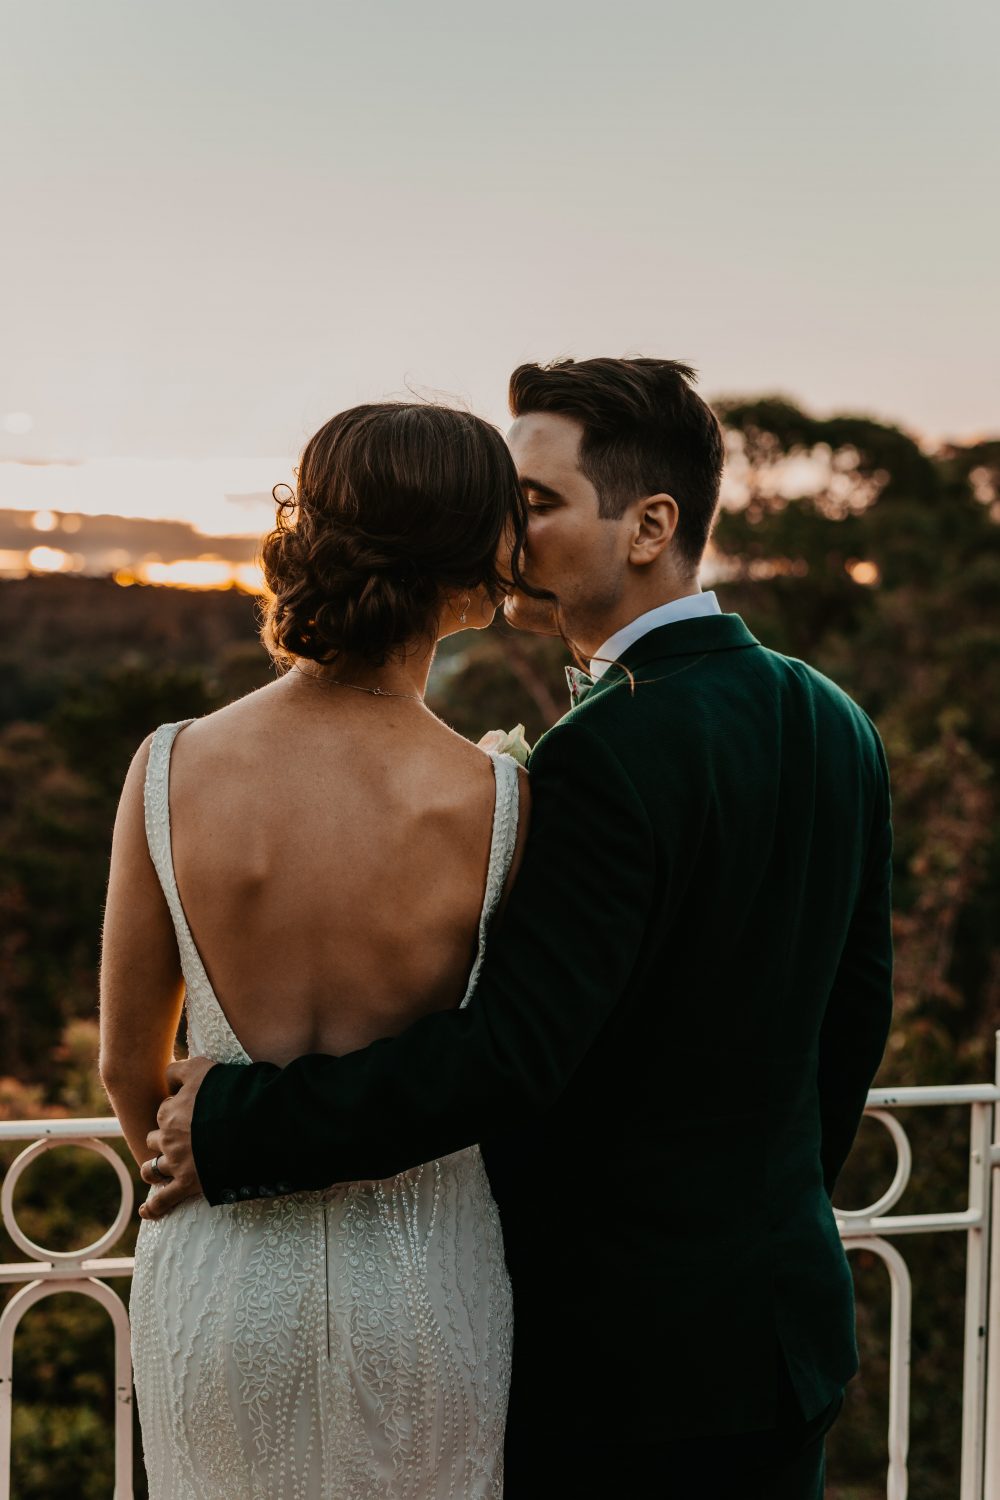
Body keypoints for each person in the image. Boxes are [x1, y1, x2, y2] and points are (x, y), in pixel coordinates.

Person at [145, 357, 894, 1499]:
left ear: (650, 526)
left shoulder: (603, 755)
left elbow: (511, 1055)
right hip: (785, 1333)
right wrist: (758, 1219)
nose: (506, 534)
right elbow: (853, 1022)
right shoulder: (836, 719)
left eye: (536, 503)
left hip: (621, 1364)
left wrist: (236, 1124)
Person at [99, 401, 534, 1499]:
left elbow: (123, 1065)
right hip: (427, 1288)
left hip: (220, 1279)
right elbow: (497, 1058)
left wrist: (189, 1183)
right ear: (469, 556)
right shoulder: (499, 798)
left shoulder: (171, 765)